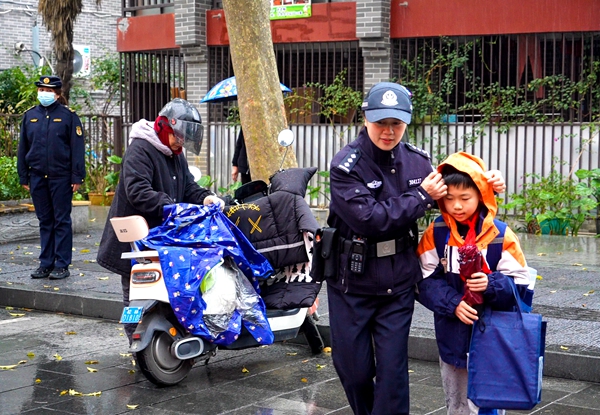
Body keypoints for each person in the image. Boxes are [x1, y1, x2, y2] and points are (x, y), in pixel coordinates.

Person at [326, 82, 506, 415]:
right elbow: (370, 219)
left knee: (393, 374)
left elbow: (458, 200)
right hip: (352, 284)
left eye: (396, 123)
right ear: (366, 118)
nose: (388, 131)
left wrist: (487, 185)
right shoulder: (345, 167)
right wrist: (421, 196)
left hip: (398, 282)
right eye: (381, 122)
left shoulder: (417, 163)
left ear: (407, 122)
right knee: (356, 372)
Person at [96, 98, 224, 344]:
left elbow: (187, 186)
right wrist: (171, 206)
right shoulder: (141, 149)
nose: (181, 142)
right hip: (133, 238)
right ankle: (135, 339)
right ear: (164, 127)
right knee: (134, 295)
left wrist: (207, 198)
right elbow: (137, 191)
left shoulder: (175, 153)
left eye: (185, 138)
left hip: (161, 237)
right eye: (178, 136)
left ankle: (165, 337)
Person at [416, 152, 530, 415]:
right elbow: (423, 278)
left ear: (481, 195)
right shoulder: (437, 233)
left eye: (465, 198)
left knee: (488, 402)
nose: (457, 206)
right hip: (452, 334)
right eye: (449, 198)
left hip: (493, 336)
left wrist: (491, 285)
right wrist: (453, 303)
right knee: (456, 404)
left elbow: (522, 286)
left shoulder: (501, 236)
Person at [17, 75, 85, 280]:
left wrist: (77, 176)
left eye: (48, 91)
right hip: (37, 177)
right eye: (41, 90)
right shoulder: (30, 116)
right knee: (45, 220)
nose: (44, 94)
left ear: (57, 94)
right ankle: (46, 263)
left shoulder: (69, 117)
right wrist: (23, 176)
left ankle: (62, 264)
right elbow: (23, 148)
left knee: (61, 221)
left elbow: (77, 148)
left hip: (61, 177)